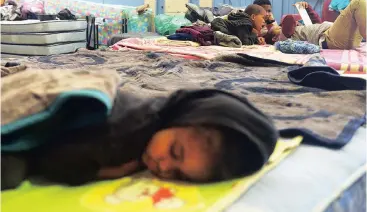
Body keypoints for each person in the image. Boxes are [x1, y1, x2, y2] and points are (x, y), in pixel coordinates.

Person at [2, 89, 278, 189]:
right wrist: (97, 172)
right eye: (175, 151)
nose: (162, 166)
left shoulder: (160, 117)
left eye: (179, 174)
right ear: (183, 119)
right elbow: (54, 157)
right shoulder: (123, 134)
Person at [281, 0, 366, 50]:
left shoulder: (303, 29)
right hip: (328, 39)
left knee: (362, 10)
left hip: (341, 38)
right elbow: (288, 21)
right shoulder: (288, 33)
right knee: (359, 2)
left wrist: (307, 8)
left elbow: (317, 23)